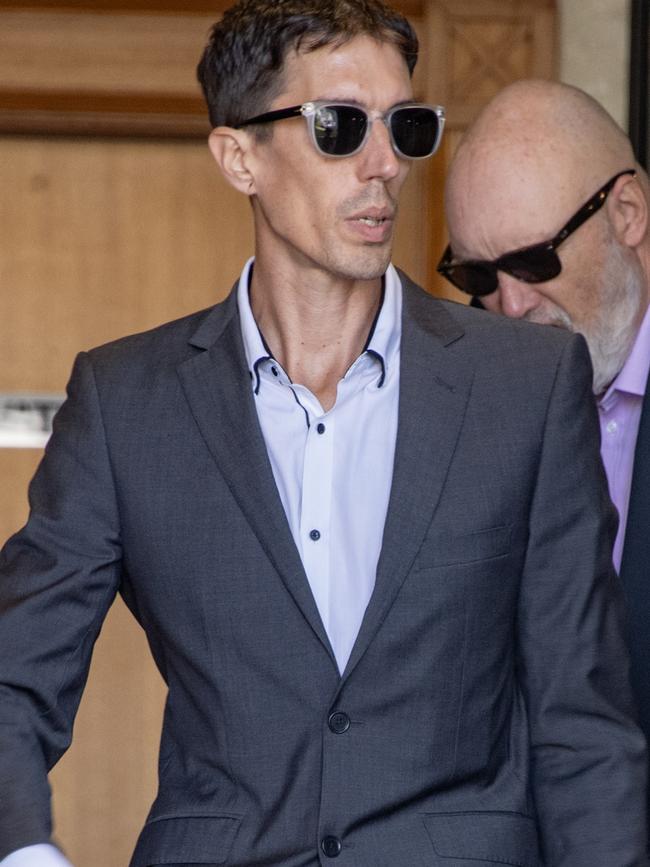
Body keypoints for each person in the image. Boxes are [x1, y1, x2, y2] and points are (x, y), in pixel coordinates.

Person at [0, 5, 646, 865]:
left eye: (404, 127)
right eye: (339, 128)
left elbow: (583, 729)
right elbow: (12, 679)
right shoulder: (127, 403)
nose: (384, 165)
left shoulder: (525, 387)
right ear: (239, 157)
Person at [440, 77, 650, 827]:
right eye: (476, 276)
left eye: (532, 262)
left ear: (627, 213)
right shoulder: (457, 410)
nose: (511, 304)